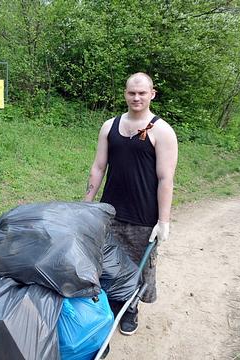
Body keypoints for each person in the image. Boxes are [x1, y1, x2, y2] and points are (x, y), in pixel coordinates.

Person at [84, 72, 178, 335]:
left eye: (142, 93)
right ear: (125, 94)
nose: (136, 97)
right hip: (109, 212)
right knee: (106, 264)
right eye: (131, 93)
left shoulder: (162, 131)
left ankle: (131, 309)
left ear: (152, 94)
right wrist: (86, 204)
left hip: (143, 216)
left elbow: (165, 179)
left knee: (138, 268)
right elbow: (98, 167)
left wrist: (164, 221)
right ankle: (110, 305)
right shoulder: (109, 126)